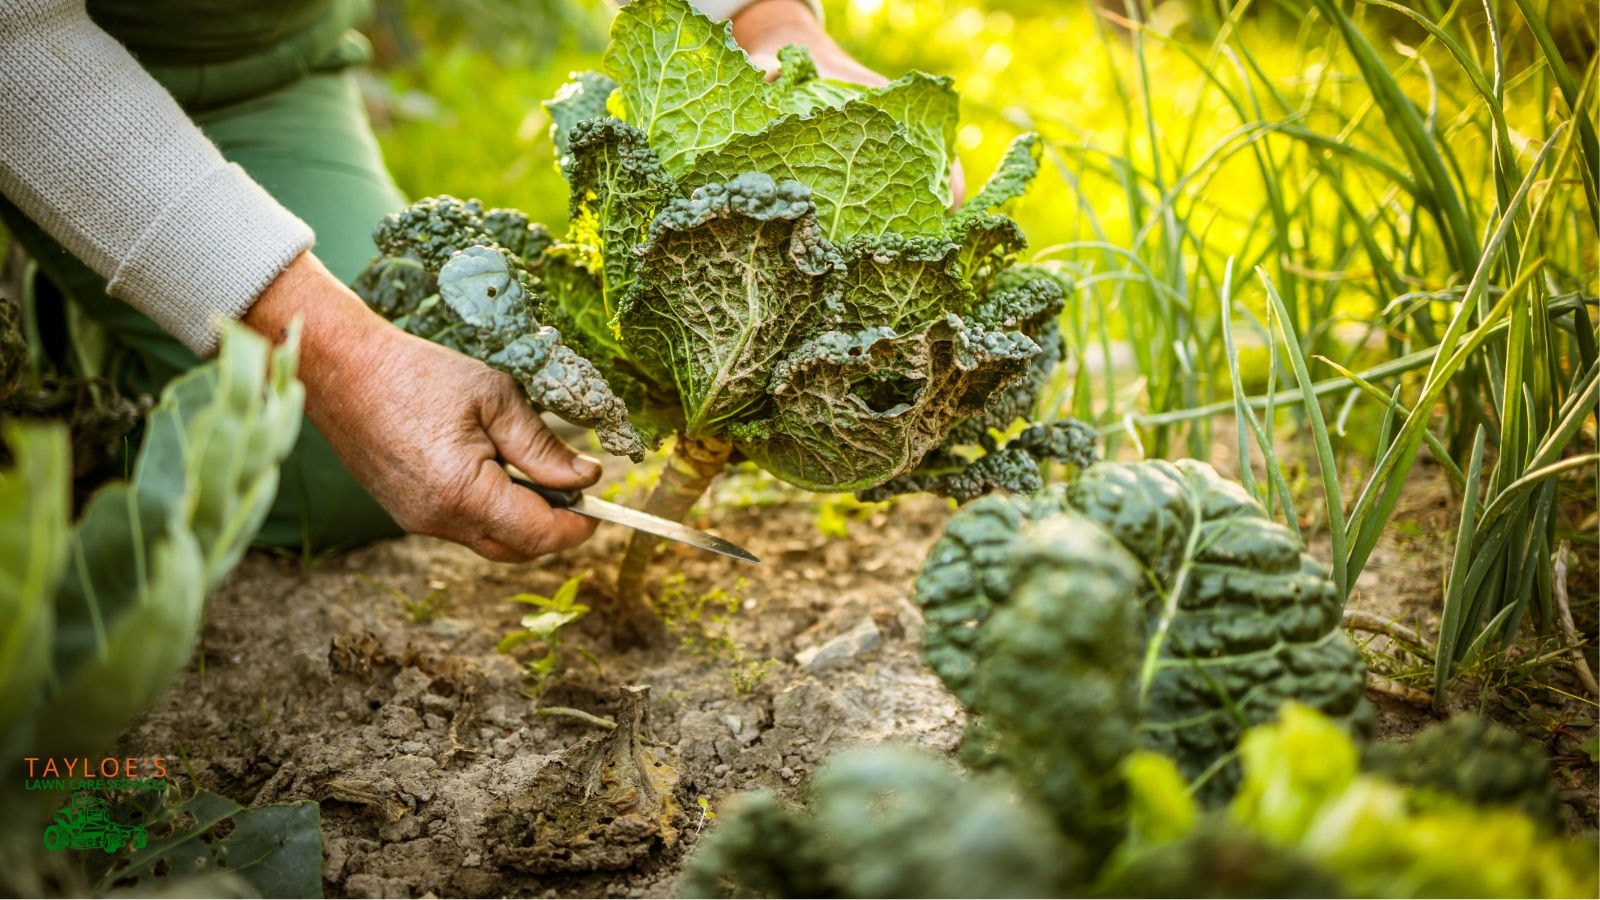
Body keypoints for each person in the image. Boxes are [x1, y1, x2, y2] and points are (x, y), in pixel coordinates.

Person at [0, 0, 890, 562]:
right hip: (37, 80)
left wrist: (763, 25)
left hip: (263, 71)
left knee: (407, 437)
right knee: (319, 432)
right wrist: (341, 360)